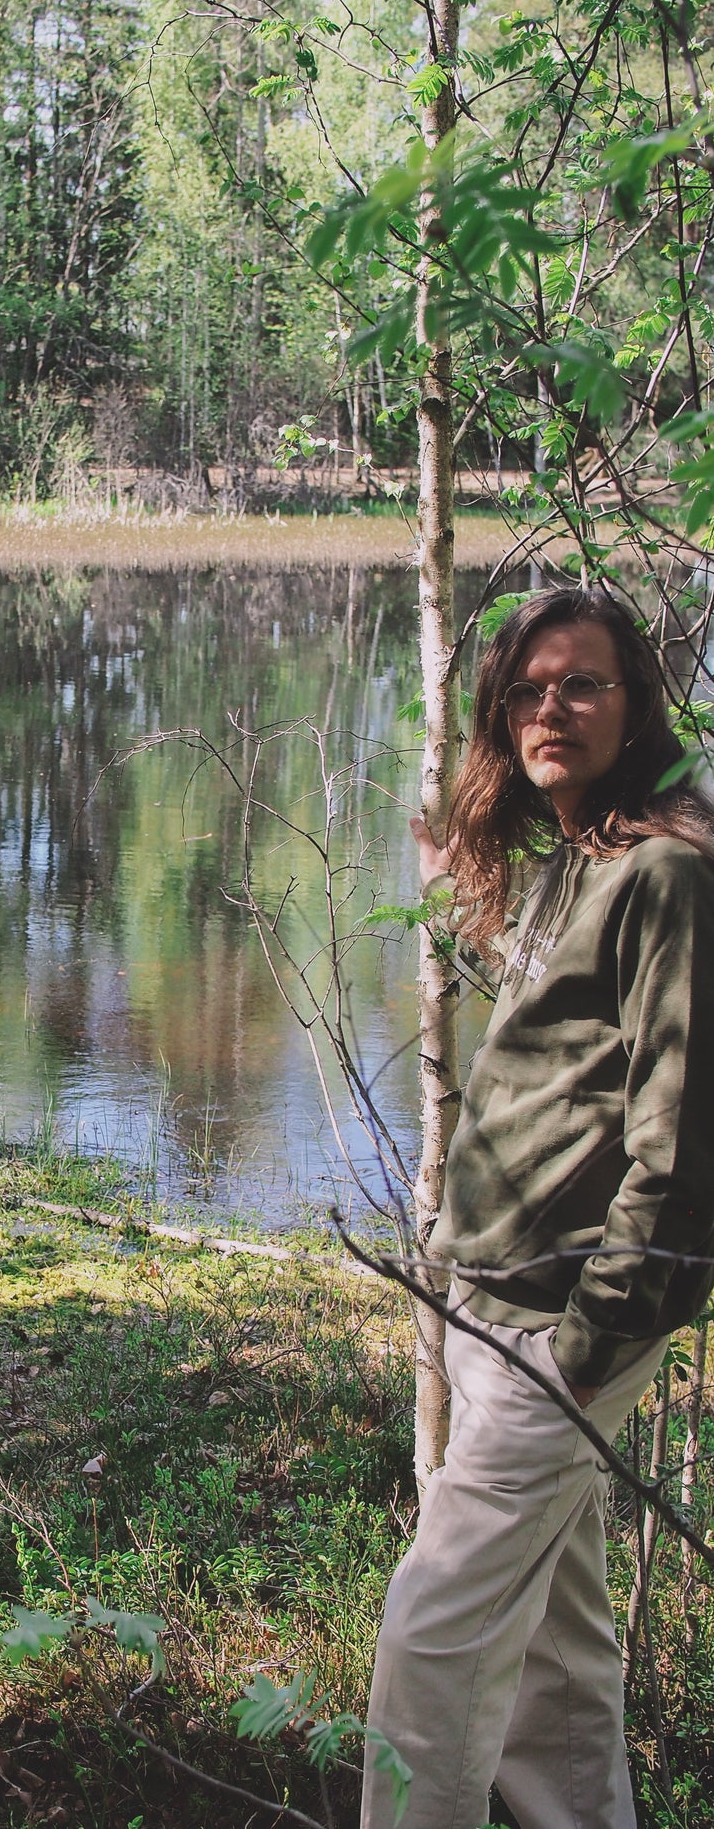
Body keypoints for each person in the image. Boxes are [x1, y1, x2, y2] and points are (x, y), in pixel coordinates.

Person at [361, 588, 714, 1829]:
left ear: (635, 705)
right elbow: (561, 1076)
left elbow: (678, 1141)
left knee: (430, 1635)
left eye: (580, 684)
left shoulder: (667, 872)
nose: (547, 709)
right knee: (558, 1663)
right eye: (524, 690)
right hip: (491, 1303)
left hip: (560, 1325)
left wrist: (590, 1339)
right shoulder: (579, 855)